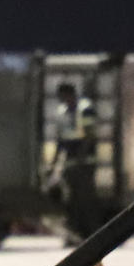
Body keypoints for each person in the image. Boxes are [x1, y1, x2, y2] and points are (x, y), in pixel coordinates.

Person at [49, 81, 102, 239]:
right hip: (70, 164)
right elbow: (61, 141)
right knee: (72, 201)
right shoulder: (62, 112)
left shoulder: (85, 109)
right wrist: (54, 163)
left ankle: (94, 233)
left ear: (69, 94)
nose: (61, 100)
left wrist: (81, 157)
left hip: (85, 163)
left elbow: (90, 135)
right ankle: (76, 233)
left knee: (86, 200)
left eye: (62, 96)